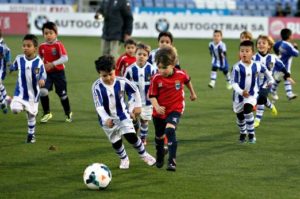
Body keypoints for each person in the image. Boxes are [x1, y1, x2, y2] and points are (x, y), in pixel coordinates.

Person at [92, 55, 156, 169]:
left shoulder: (122, 81)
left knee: (130, 136)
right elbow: (99, 106)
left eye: (110, 74)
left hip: (122, 115)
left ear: (114, 70)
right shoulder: (96, 87)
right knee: (116, 141)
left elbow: (135, 91)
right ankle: (124, 158)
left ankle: (144, 155)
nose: (108, 78)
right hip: (106, 119)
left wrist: (138, 106)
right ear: (99, 74)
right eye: (104, 76)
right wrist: (106, 118)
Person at [148, 46, 197, 171]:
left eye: (164, 67)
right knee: (159, 137)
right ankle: (159, 155)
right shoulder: (156, 78)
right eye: (159, 67)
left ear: (172, 65)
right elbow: (152, 96)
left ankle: (172, 161)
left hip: (175, 108)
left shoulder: (180, 74)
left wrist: (192, 93)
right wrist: (157, 107)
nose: (161, 70)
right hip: (159, 112)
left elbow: (187, 80)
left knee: (170, 131)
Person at [231, 40, 274, 143]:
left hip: (251, 95)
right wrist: (241, 92)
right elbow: (234, 83)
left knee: (247, 110)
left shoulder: (257, 65)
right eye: (242, 51)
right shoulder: (236, 67)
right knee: (240, 117)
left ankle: (251, 134)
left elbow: (269, 75)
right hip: (239, 96)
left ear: (252, 53)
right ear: (239, 53)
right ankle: (243, 133)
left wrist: (270, 81)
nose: (244, 53)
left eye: (247, 51)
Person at [9, 34, 47, 143]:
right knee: (15, 109)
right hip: (20, 93)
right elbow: (13, 66)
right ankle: (8, 100)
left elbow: (43, 74)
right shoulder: (19, 58)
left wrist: (42, 80)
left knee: (31, 116)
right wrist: (10, 67)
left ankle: (31, 136)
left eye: (28, 46)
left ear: (35, 48)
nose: (25, 48)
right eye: (24, 45)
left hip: (33, 95)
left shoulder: (38, 62)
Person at [253, 35, 295, 128]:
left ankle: (257, 120)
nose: (261, 45)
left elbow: (282, 67)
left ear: (269, 46)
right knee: (260, 98)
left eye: (264, 43)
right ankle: (271, 106)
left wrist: (287, 76)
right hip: (255, 83)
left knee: (261, 99)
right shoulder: (253, 58)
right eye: (259, 43)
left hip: (267, 83)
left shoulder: (273, 58)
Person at [39, 21, 72, 123]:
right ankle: (47, 113)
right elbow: (39, 60)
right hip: (47, 73)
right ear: (43, 34)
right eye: (46, 33)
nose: (48, 35)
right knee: (43, 91)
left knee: (62, 95)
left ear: (56, 34)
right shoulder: (42, 46)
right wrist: (39, 71)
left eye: (51, 33)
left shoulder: (58, 45)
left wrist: (52, 64)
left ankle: (68, 112)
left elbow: (65, 58)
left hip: (59, 73)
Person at [124, 43, 157, 145]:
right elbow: (125, 83)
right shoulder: (130, 69)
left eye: (144, 55)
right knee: (132, 117)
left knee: (144, 121)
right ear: (135, 55)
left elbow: (155, 83)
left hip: (147, 101)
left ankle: (143, 138)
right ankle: (135, 131)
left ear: (148, 57)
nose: (141, 56)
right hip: (133, 100)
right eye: (139, 54)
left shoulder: (152, 69)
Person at [272, 28, 298, 100]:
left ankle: (273, 90)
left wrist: (278, 53)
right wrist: (295, 47)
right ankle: (289, 94)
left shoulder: (278, 43)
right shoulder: (289, 46)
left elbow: (274, 47)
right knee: (287, 78)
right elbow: (296, 54)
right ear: (290, 36)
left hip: (277, 65)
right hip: (285, 66)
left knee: (278, 79)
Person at [0, 29, 11, 114]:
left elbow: (8, 51)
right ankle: (6, 99)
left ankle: (3, 103)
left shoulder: (2, 45)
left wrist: (8, 63)